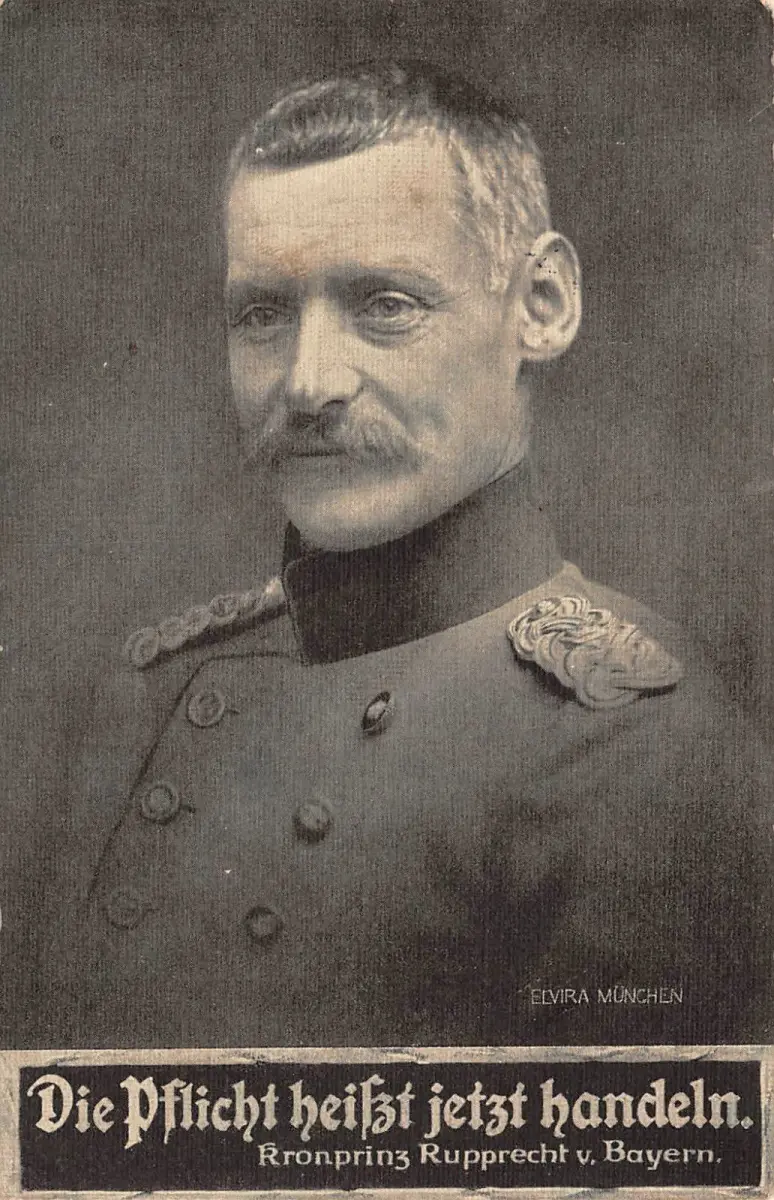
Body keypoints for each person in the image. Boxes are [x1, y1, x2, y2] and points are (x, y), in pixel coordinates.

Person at [11, 61, 772, 1049]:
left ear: (541, 305)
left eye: (385, 306)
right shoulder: (149, 695)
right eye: (263, 314)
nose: (308, 383)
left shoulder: (639, 751)